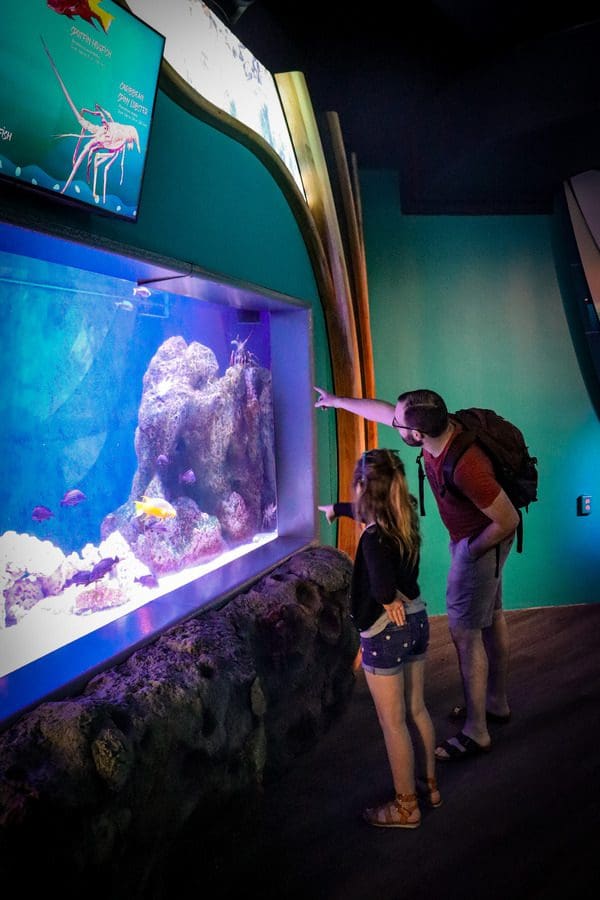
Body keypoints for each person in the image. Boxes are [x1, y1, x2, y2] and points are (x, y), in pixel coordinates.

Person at [314, 387, 520, 762]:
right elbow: (385, 412)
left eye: (399, 423)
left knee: (466, 633)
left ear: (418, 435)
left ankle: (477, 730)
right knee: (491, 618)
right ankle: (495, 703)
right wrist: (336, 401)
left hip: (481, 543)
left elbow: (508, 520)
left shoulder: (468, 465)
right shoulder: (435, 426)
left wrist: (469, 551)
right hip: (476, 542)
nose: (394, 424)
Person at [319, 447, 441, 828]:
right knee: (416, 708)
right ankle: (430, 787)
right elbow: (367, 512)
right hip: (418, 620)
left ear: (361, 487)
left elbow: (382, 583)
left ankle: (407, 807)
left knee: (393, 724)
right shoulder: (404, 516)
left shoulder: (372, 538)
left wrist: (387, 600)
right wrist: (338, 510)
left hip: (388, 632)